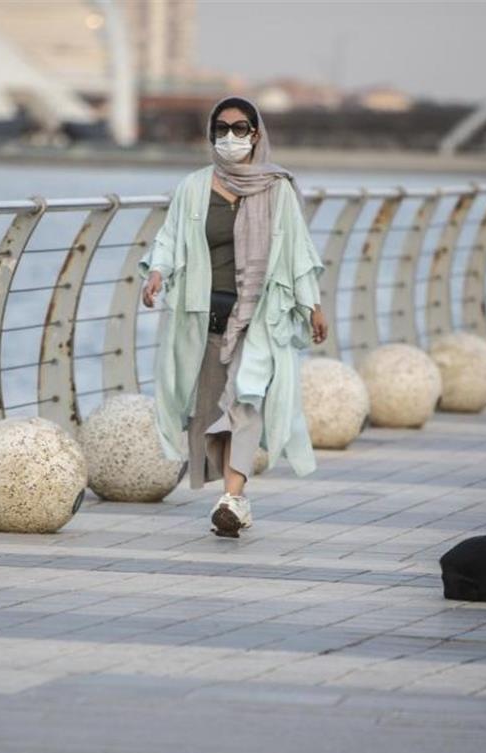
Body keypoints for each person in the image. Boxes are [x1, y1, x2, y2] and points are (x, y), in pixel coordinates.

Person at [137, 95, 328, 538]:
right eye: (220, 129)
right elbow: (170, 237)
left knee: (245, 400)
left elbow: (299, 254)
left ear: (256, 133)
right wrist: (158, 272)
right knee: (209, 414)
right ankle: (235, 499)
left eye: (239, 128)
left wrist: (312, 305)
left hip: (260, 316)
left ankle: (232, 497)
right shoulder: (194, 187)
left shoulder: (277, 188)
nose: (229, 137)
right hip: (202, 317)